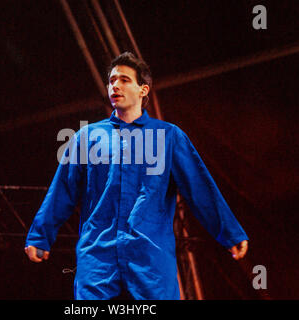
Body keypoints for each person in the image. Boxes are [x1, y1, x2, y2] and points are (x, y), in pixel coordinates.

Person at [25, 52, 248, 300]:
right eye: (111, 81)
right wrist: (40, 235)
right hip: (98, 254)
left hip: (150, 256)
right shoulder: (87, 137)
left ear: (143, 90)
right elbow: (62, 190)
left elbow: (199, 188)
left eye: (124, 80)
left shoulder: (168, 137)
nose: (115, 86)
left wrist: (230, 233)